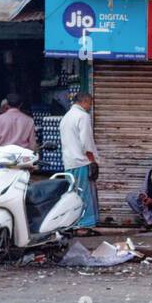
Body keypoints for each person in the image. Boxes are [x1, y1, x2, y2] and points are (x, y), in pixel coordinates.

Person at [60, 93, 100, 231]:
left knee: (73, 195)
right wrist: (92, 161)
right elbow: (86, 142)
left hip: (69, 163)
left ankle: (74, 223)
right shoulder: (83, 116)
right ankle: (83, 226)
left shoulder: (66, 117)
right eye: (90, 104)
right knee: (84, 194)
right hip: (82, 162)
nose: (90, 107)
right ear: (84, 101)